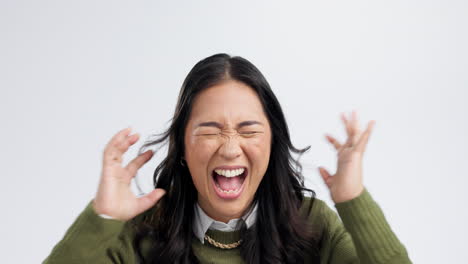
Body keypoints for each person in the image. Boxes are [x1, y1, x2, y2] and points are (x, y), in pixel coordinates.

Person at [43, 53, 412, 264]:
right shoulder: (142, 230)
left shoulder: (312, 224)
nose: (230, 148)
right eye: (209, 130)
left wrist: (354, 202)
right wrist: (102, 219)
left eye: (249, 130)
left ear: (273, 144)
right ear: (183, 148)